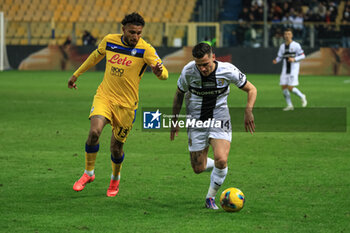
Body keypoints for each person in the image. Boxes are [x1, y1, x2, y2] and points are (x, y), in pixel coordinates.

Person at [68, 12, 168, 197]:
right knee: (94, 132)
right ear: (123, 29)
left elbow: (165, 74)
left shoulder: (146, 49)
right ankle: (89, 173)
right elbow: (94, 57)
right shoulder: (109, 41)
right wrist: (76, 74)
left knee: (116, 147)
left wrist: (158, 72)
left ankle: (115, 178)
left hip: (127, 106)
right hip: (104, 97)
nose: (135, 36)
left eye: (139, 33)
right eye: (132, 32)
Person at [170, 42, 257, 209]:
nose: (202, 69)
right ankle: (218, 168)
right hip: (196, 120)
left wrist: (248, 110)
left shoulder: (228, 70)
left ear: (213, 58)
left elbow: (251, 89)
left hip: (220, 117)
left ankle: (210, 197)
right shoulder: (188, 71)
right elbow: (179, 94)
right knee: (198, 167)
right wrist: (175, 119)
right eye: (199, 65)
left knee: (222, 158)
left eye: (206, 64)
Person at [273, 28, 307, 111]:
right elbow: (280, 56)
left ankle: (302, 96)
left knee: (290, 88)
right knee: (284, 87)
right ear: (284, 36)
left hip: (293, 69)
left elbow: (303, 55)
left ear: (292, 35)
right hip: (285, 69)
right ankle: (289, 105)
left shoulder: (296, 45)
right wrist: (276, 60)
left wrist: (294, 59)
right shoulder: (282, 46)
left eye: (289, 34)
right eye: (285, 34)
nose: (287, 36)